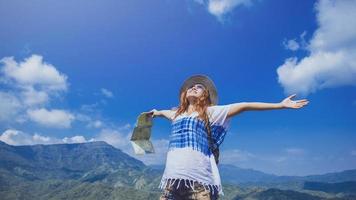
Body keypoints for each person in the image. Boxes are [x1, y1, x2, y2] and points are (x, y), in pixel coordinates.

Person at [147, 74, 309, 200]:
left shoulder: (211, 112)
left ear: (206, 96)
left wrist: (280, 105)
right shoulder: (177, 114)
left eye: (199, 87)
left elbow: (245, 105)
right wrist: (155, 112)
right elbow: (162, 113)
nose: (194, 87)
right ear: (184, 94)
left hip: (198, 184)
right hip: (171, 182)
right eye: (191, 86)